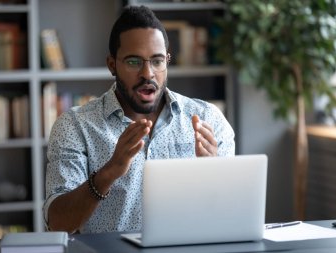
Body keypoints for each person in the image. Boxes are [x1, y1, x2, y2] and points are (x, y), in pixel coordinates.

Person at [43, 5, 235, 234]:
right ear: (112, 65)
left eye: (157, 61)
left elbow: (232, 218)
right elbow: (58, 223)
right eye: (134, 62)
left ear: (167, 61)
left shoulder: (208, 119)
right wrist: (110, 171)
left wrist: (214, 176)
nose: (148, 73)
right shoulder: (75, 126)